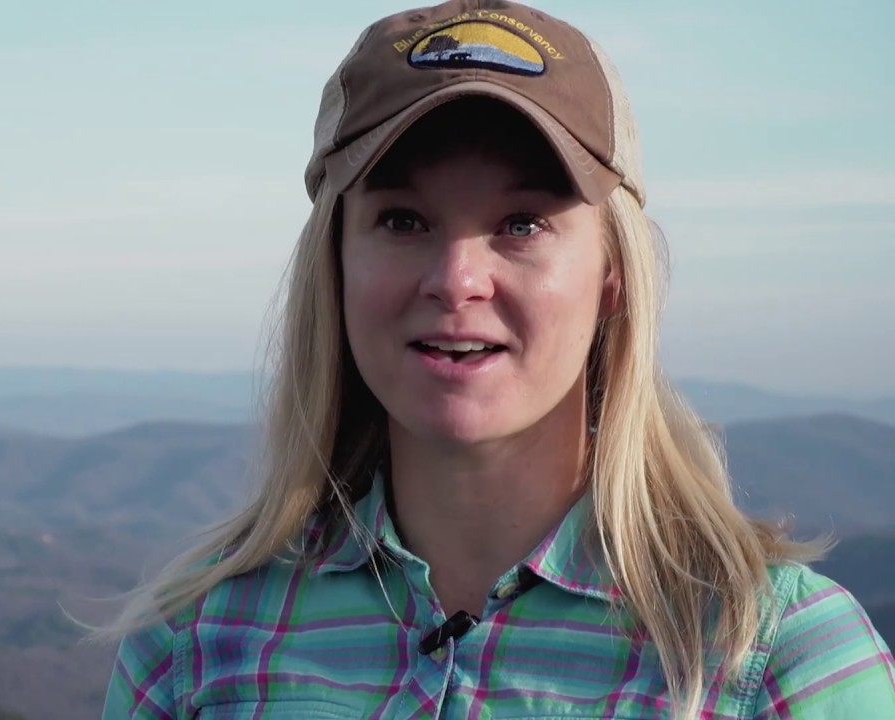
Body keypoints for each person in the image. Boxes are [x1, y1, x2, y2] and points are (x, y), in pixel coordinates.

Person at [98, 1, 895, 717]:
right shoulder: (195, 639)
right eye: (404, 220)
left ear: (613, 276)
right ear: (335, 266)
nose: (456, 281)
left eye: (522, 223)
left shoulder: (775, 657)